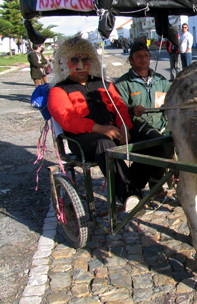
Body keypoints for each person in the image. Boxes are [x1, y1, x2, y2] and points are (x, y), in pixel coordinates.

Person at [47, 36, 158, 213]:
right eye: (74, 60)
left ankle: (133, 185)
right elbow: (68, 120)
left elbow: (120, 108)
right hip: (85, 139)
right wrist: (99, 129)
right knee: (104, 145)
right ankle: (129, 195)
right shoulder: (58, 91)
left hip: (115, 130)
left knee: (154, 141)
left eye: (85, 60)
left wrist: (125, 126)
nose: (81, 66)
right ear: (64, 63)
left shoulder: (105, 85)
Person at [114, 41, 175, 188]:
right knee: (161, 144)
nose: (143, 59)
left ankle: (168, 175)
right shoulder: (123, 83)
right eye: (138, 56)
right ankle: (141, 183)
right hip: (138, 125)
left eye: (146, 55)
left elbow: (173, 96)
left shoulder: (160, 80)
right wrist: (132, 109)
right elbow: (118, 108)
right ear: (131, 60)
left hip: (162, 122)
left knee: (183, 137)